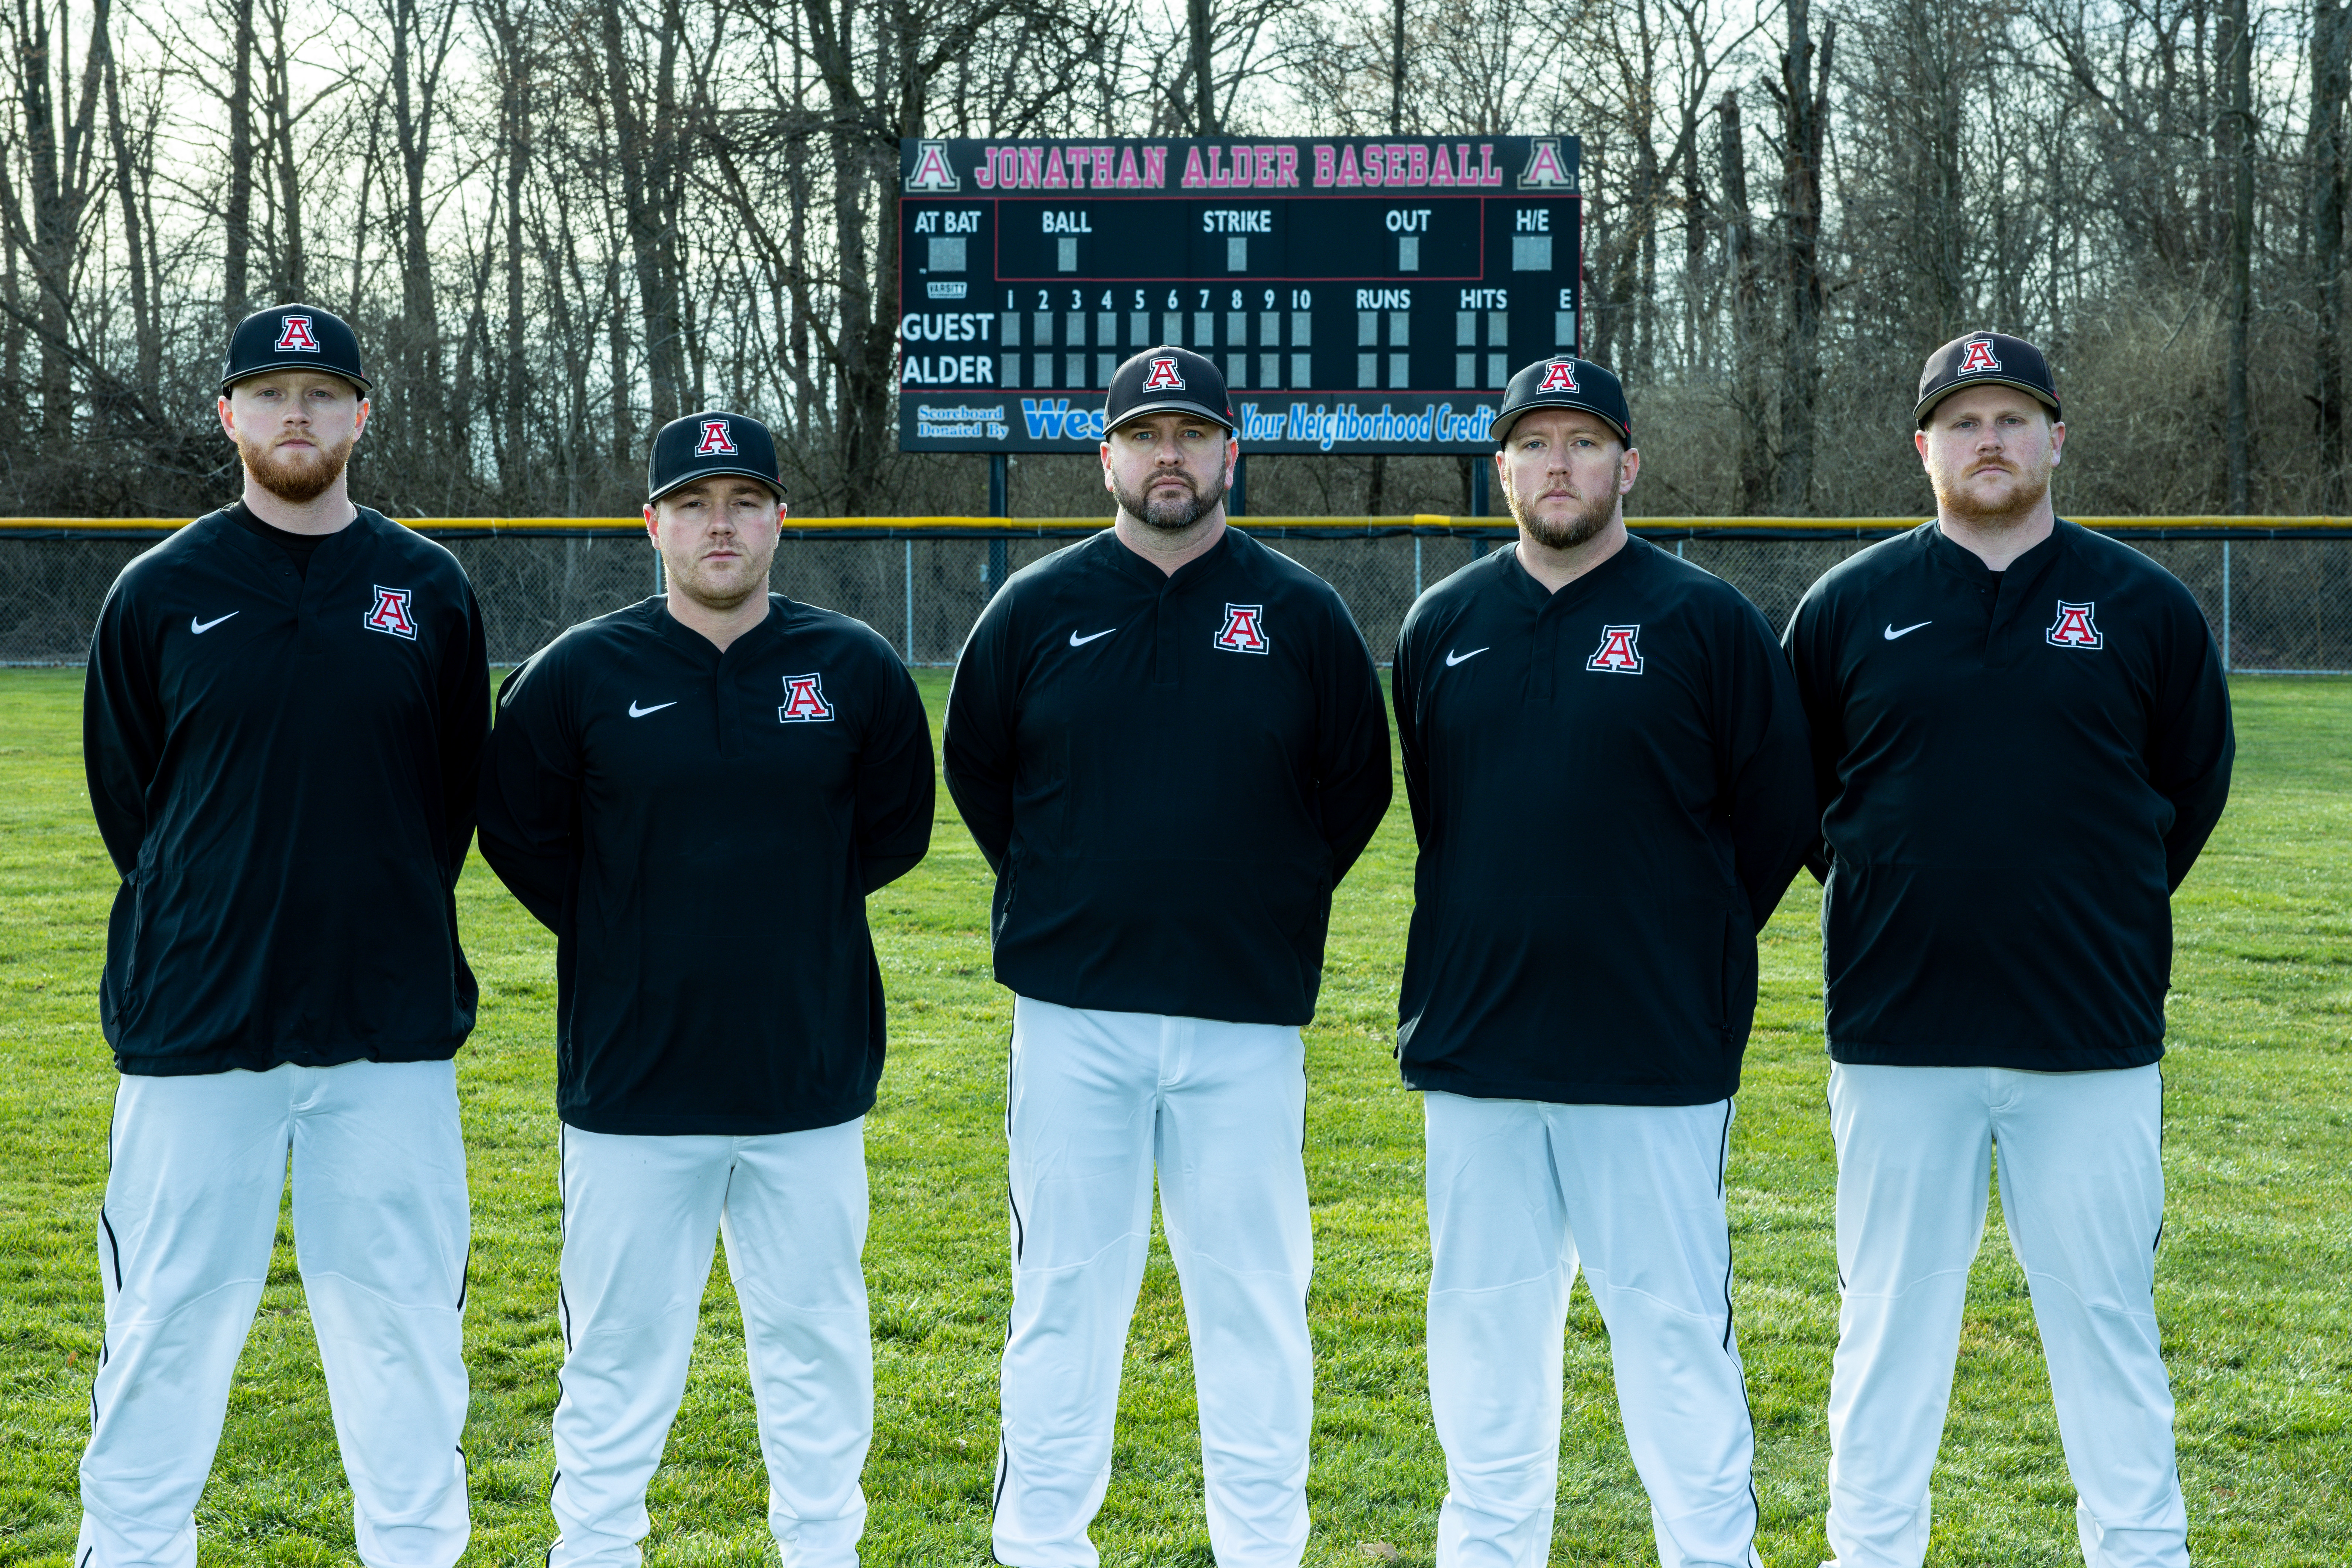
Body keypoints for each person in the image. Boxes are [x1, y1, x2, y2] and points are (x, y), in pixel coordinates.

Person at [1783, 332, 2235, 1568]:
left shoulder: (2144, 606)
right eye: (1964, 419)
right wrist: (1904, 887)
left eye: (2014, 417)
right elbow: (1807, 795)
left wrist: (2085, 896)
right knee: (1888, 1326)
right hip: (1898, 1036)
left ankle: (2142, 1554)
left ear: (2055, 439)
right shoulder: (1851, 606)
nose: (1990, 438)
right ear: (1924, 446)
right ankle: (1869, 1554)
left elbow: (2189, 791)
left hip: (2087, 1039)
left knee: (2106, 1323)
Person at [941, 346, 1392, 1568]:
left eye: (1194, 432)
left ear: (1231, 453)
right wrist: (1074, 889)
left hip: (1243, 1015)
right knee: (1065, 1298)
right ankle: (1042, 1546)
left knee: (1251, 1302)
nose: (1170, 454)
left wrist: (1260, 895)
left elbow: (1354, 786)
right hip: (1075, 1012)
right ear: (1109, 458)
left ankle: (1260, 1551)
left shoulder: (1299, 612)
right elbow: (980, 770)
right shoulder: (1034, 606)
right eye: (1146, 434)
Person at [476, 410, 934, 1568]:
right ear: (653, 524)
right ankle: (595, 1552)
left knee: (818, 1349)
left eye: (742, 501)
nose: (718, 525)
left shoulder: (855, 668)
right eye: (693, 504)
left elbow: (889, 835)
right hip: (636, 1087)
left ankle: (823, 1552)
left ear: (782, 516)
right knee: (619, 1357)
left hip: (809, 1080)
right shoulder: (580, 674)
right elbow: (524, 838)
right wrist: (635, 926)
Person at [78, 304, 489, 1568]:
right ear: (229, 418)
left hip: (389, 1029)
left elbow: (451, 794)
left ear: (363, 414)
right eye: (267, 392)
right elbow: (130, 800)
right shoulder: (159, 591)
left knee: (407, 1340)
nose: (295, 414)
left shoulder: (427, 587)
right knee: (161, 1333)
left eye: (320, 392)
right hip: (199, 1030)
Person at [1390, 355, 1815, 1568]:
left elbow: (1778, 817)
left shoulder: (1704, 620)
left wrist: (1668, 933)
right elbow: (1444, 811)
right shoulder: (1445, 623)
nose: (1559, 465)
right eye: (1535, 444)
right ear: (1503, 468)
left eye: (1585, 443)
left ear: (1628, 464)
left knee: (1675, 1333)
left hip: (1651, 1050)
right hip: (1479, 1047)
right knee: (1481, 1334)